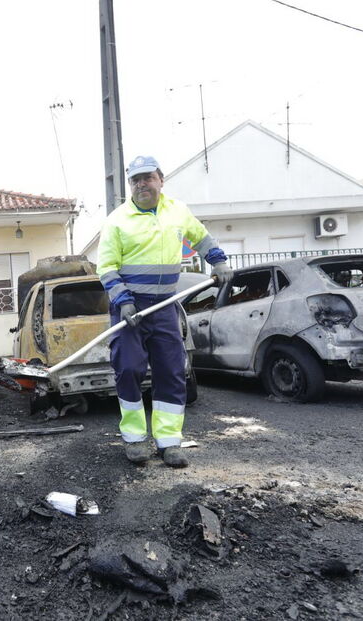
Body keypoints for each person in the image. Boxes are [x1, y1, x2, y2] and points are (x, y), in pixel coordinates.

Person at [96, 155, 232, 468]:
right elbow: (106, 267)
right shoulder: (117, 220)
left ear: (160, 180)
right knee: (129, 369)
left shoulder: (177, 211)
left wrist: (219, 261)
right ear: (130, 185)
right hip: (129, 307)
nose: (141, 184)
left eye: (147, 178)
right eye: (135, 180)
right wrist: (123, 300)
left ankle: (169, 442)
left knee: (171, 370)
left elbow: (201, 238)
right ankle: (134, 438)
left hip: (165, 306)